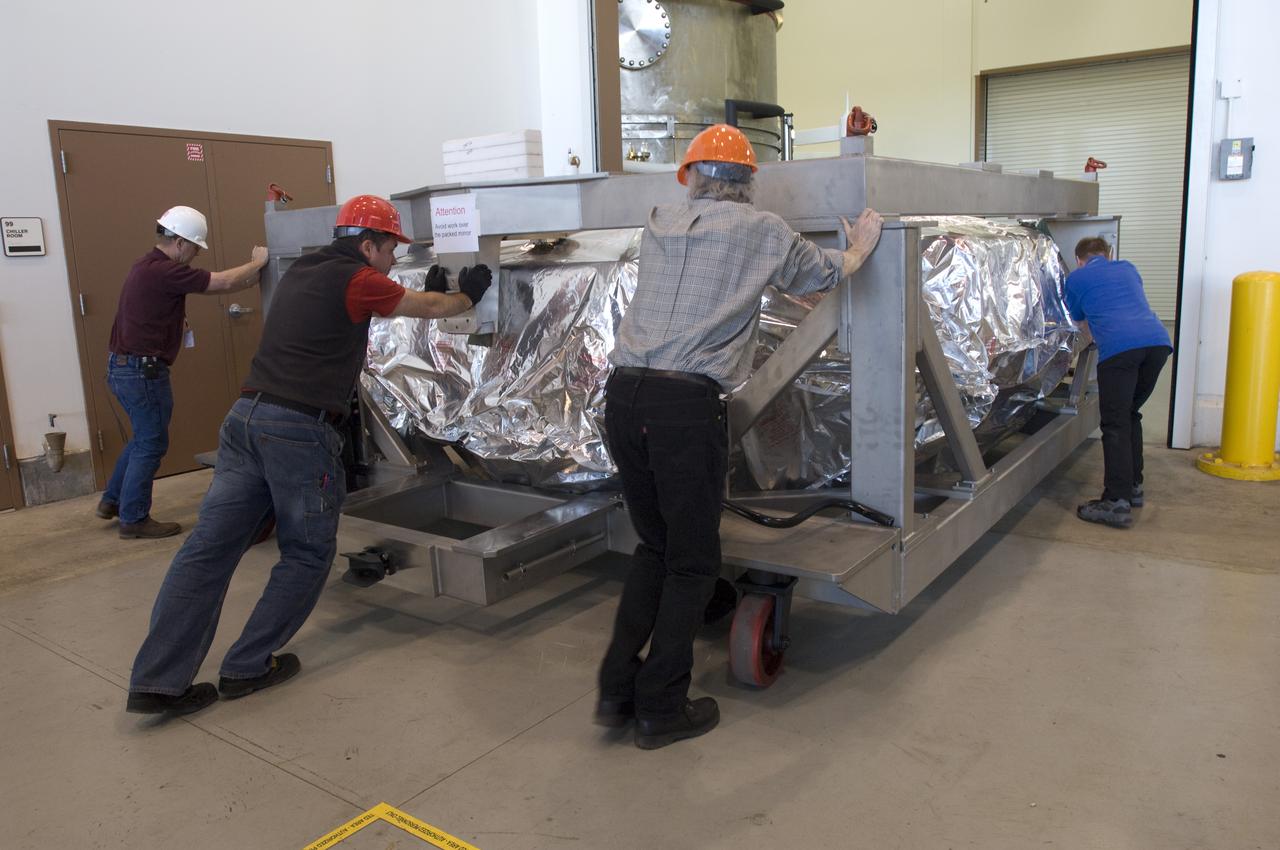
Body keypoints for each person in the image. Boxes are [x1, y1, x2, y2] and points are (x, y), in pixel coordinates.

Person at [126, 195, 491, 716]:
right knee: (306, 553)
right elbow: (431, 309)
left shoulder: (303, 270)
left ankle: (156, 682)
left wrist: (418, 294)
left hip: (245, 420)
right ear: (368, 245)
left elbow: (364, 316)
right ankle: (247, 667)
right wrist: (464, 296)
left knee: (207, 552)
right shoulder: (359, 278)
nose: (392, 260)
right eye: (390, 250)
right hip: (297, 432)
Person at [596, 124, 884, 749]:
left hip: (624, 397)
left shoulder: (656, 221)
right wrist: (858, 248)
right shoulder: (763, 231)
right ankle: (661, 707)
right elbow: (821, 275)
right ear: (749, 183)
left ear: (690, 178)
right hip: (683, 408)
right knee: (694, 562)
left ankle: (618, 690)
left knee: (655, 548)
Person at [99, 205, 268, 539]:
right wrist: (259, 262)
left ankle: (114, 501)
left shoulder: (146, 267)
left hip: (124, 367)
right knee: (151, 443)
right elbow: (220, 282)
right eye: (194, 247)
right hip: (141, 372)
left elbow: (219, 286)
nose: (193, 255)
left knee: (143, 438)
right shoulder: (164, 271)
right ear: (179, 242)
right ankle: (133, 519)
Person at [1065, 237, 1172, 529]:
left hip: (1121, 351)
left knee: (1114, 424)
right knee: (1129, 415)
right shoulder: (1127, 268)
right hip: (1158, 345)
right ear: (1108, 254)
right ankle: (1133, 487)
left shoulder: (1076, 279)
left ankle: (1115, 502)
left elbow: (1078, 322)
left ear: (1078, 259)